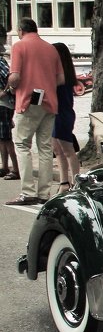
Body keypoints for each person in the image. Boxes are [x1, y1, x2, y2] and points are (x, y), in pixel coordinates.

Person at [5, 18, 64, 206]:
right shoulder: (51, 48)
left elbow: (14, 77)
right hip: (50, 101)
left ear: (21, 31)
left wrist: (11, 87)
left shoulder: (19, 46)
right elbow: (61, 79)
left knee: (22, 144)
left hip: (29, 100)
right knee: (45, 148)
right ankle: (44, 192)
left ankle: (27, 191)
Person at [51, 43, 82, 193]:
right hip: (56, 113)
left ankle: (76, 181)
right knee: (58, 150)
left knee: (67, 149)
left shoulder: (61, 75)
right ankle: (64, 181)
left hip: (62, 113)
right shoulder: (62, 73)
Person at [0, 34, 19, 181]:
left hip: (4, 104)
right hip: (3, 104)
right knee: (2, 138)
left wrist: (4, 92)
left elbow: (10, 77)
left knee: (6, 138)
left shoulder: (0, 62)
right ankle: (5, 167)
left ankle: (15, 169)